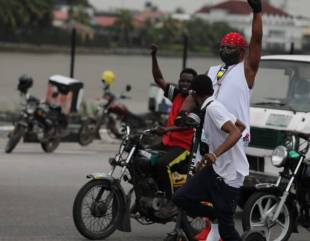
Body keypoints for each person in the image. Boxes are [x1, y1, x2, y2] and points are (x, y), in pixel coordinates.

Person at [173, 75, 247, 241]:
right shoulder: (214, 107)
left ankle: (219, 214)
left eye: (190, 95)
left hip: (230, 176)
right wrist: (211, 156)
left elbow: (235, 132)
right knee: (180, 197)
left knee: (227, 231)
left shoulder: (214, 109)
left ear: (195, 95)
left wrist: (216, 153)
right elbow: (241, 126)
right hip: (216, 170)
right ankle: (214, 213)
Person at [181, 0, 263, 147]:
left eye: (229, 47)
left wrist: (257, 12)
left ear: (242, 51)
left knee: (232, 170)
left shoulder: (247, 70)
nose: (224, 50)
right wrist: (182, 113)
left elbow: (256, 40)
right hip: (209, 135)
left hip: (235, 135)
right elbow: (194, 95)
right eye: (222, 47)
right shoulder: (211, 70)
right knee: (203, 169)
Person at [150, 44, 197, 204]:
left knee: (163, 164)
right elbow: (158, 79)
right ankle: (150, 192)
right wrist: (154, 56)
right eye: (182, 80)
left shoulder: (196, 103)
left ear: (194, 85)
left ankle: (172, 201)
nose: (184, 83)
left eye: (188, 81)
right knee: (143, 157)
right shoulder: (176, 93)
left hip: (183, 147)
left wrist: (166, 129)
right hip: (167, 142)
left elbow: (187, 125)